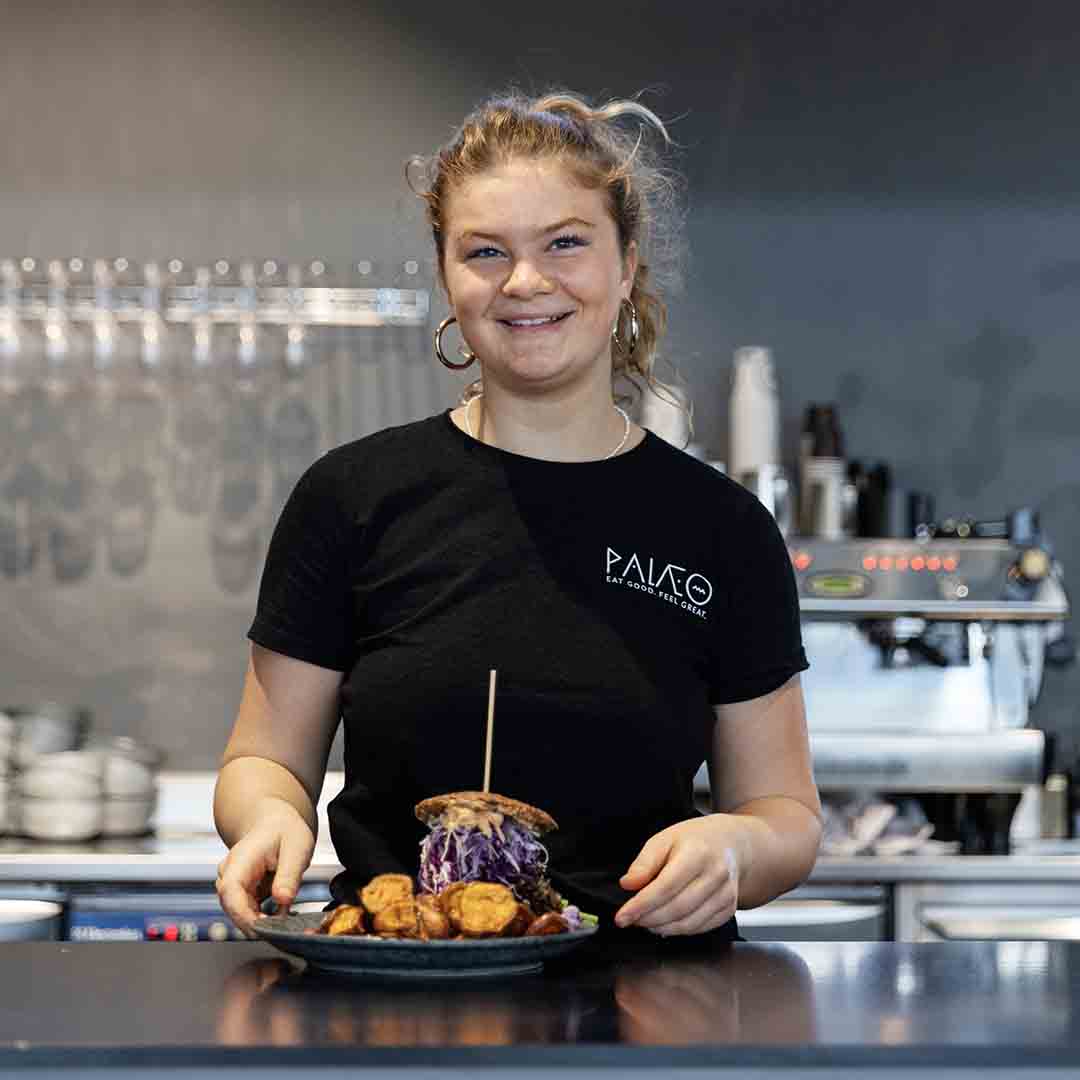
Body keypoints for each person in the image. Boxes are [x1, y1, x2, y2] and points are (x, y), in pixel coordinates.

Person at [214, 89, 822, 944]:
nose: (526, 281)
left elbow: (786, 812)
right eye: (486, 251)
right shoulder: (352, 498)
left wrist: (738, 846)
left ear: (626, 263)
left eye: (566, 243)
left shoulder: (721, 529)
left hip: (649, 1014)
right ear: (448, 276)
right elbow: (264, 761)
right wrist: (270, 821)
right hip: (399, 998)